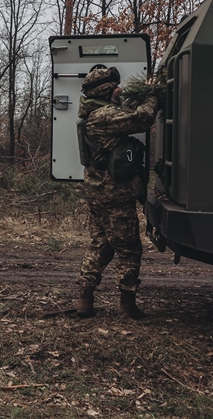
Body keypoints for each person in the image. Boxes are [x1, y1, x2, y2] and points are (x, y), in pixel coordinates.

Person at [75, 67, 158, 319]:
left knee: (101, 244)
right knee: (129, 249)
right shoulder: (105, 115)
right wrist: (152, 94)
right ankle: (127, 304)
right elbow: (143, 118)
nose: (120, 90)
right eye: (115, 86)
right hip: (115, 195)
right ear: (105, 90)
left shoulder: (93, 113)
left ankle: (85, 299)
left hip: (96, 192)